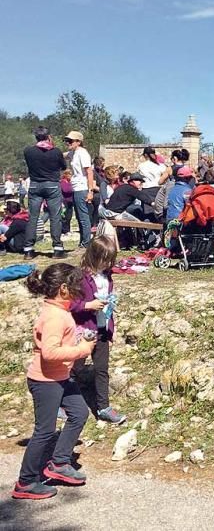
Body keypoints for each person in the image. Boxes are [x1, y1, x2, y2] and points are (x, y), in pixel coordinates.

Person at [11, 264, 95, 500]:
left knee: (79, 412)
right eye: (77, 285)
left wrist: (78, 339)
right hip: (45, 381)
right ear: (64, 288)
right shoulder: (55, 316)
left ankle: (58, 463)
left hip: (60, 377)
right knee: (44, 431)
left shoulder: (59, 310)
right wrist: (81, 349)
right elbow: (49, 352)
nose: (82, 289)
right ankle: (25, 482)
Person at [70, 237, 127, 424]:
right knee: (75, 367)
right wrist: (88, 305)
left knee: (102, 369)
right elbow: (70, 304)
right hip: (84, 330)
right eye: (105, 259)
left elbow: (107, 302)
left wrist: (111, 326)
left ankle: (103, 407)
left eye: (111, 260)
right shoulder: (80, 277)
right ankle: (63, 402)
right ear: (94, 256)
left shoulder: (107, 276)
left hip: (102, 329)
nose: (109, 264)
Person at [23, 126, 67, 259]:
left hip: (35, 185)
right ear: (49, 136)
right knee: (55, 217)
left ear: (36, 137)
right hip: (52, 185)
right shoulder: (56, 152)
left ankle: (28, 249)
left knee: (33, 217)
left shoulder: (28, 151)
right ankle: (57, 248)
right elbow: (63, 167)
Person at [64, 131, 96, 249]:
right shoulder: (73, 152)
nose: (68, 143)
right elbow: (63, 155)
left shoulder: (83, 153)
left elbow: (89, 172)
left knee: (83, 216)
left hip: (82, 187)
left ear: (78, 142)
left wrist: (90, 191)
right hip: (76, 187)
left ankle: (86, 242)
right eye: (67, 141)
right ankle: (83, 241)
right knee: (78, 216)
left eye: (71, 141)